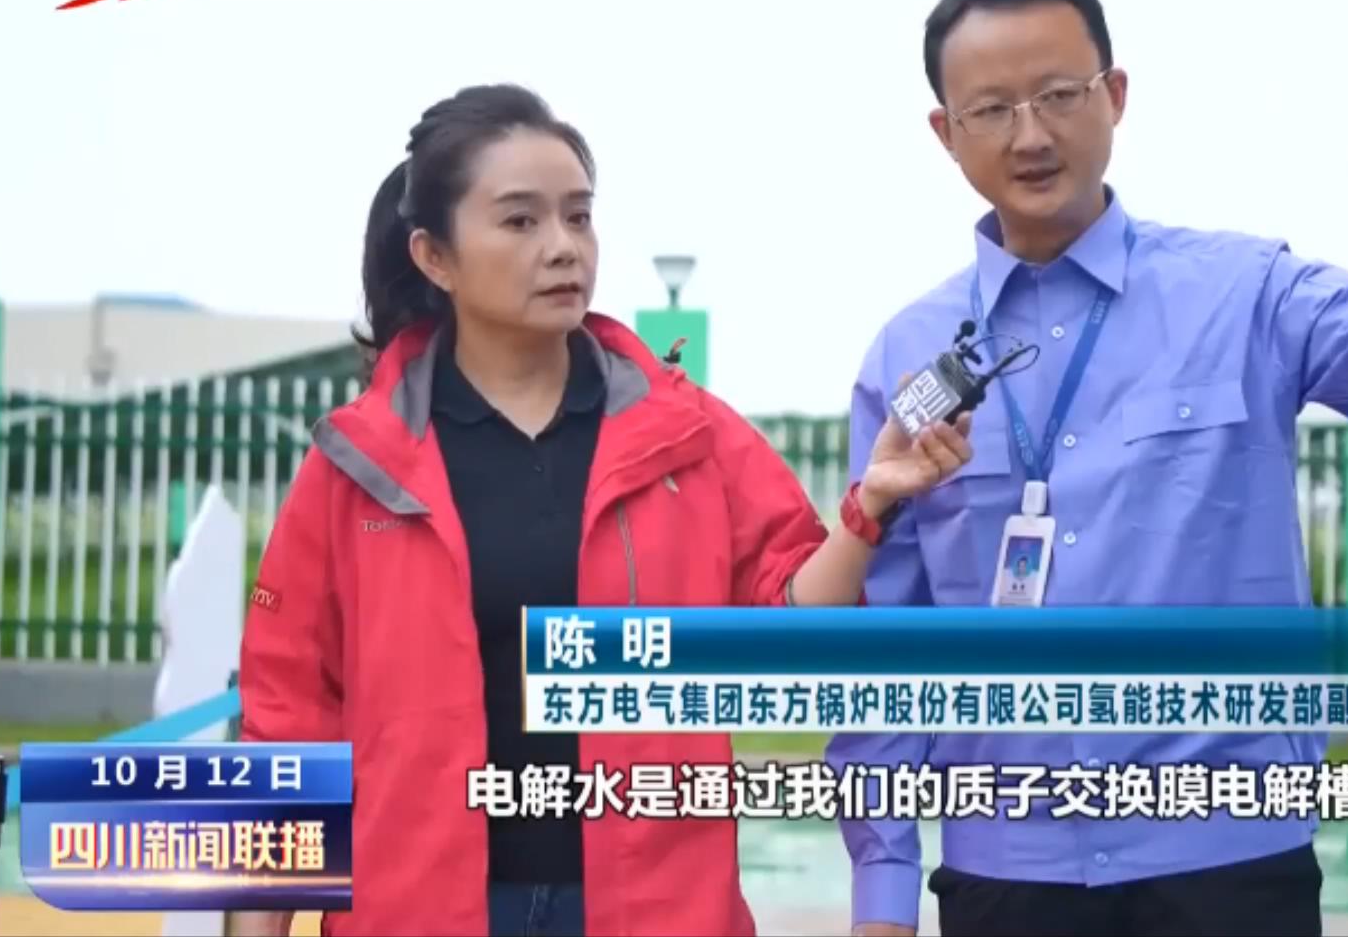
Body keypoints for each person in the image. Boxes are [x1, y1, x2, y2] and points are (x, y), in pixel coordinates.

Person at [828, 0, 1348, 937]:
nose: (1030, 135)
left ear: (1115, 96)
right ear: (945, 132)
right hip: (1006, 877)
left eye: (1059, 95)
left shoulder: (1245, 294)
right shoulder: (908, 360)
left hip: (1230, 866)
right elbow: (881, 650)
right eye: (991, 109)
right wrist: (882, 891)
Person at [228, 84, 975, 937]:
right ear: (435, 256)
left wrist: (869, 507)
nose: (563, 247)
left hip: (656, 911)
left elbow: (788, 633)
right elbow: (286, 731)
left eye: (578, 217)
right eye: (521, 221)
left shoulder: (689, 437)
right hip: (417, 911)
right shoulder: (357, 466)